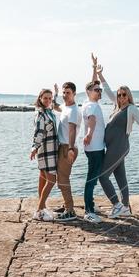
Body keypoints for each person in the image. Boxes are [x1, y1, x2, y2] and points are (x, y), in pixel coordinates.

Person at [91, 55, 139, 218]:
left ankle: (117, 205)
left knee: (102, 176)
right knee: (121, 178)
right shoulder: (117, 106)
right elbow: (106, 90)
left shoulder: (131, 109)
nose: (121, 97)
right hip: (114, 147)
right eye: (119, 95)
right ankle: (125, 207)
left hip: (120, 147)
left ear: (129, 96)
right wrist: (98, 74)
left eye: (124, 95)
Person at [52, 81, 81, 222]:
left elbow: (72, 130)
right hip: (63, 147)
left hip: (67, 148)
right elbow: (54, 106)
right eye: (64, 92)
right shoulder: (65, 107)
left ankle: (70, 211)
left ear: (74, 94)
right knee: (61, 178)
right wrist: (55, 94)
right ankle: (66, 205)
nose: (65, 95)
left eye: (68, 92)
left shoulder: (74, 110)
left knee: (63, 179)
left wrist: (70, 149)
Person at [30, 87, 59, 221]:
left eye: (50, 98)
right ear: (40, 99)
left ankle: (42, 207)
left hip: (51, 150)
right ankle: (39, 210)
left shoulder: (49, 110)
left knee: (43, 178)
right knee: (52, 180)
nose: (48, 100)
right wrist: (34, 148)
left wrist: (56, 93)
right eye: (45, 98)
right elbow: (39, 132)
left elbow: (53, 103)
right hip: (46, 151)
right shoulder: (41, 114)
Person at [81, 77, 107, 223]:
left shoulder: (87, 103)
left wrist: (95, 69)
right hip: (95, 147)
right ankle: (89, 211)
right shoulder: (92, 106)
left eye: (100, 90)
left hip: (93, 147)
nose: (99, 92)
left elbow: (91, 84)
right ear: (88, 92)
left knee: (93, 177)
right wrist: (89, 134)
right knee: (91, 179)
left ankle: (90, 205)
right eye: (96, 90)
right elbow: (92, 120)